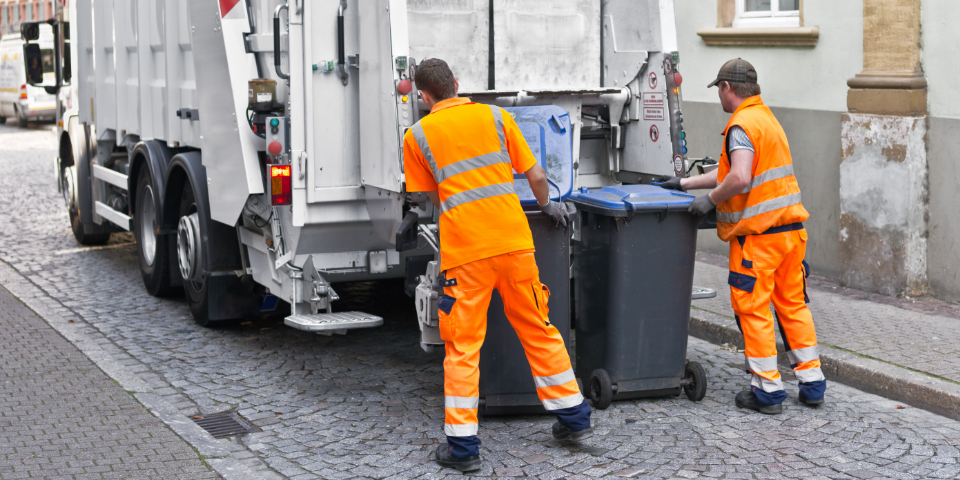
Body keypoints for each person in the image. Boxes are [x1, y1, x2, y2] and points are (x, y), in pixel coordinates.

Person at [403, 58, 592, 472]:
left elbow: (425, 198)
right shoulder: (496, 116)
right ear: (457, 83)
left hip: (466, 255)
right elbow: (537, 175)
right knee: (539, 329)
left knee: (463, 347)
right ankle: (574, 418)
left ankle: (463, 449)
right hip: (514, 245)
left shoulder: (417, 135)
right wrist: (548, 206)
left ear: (423, 95)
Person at [661, 58, 826, 415]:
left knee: (753, 309)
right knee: (793, 306)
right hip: (791, 234)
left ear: (726, 88)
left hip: (759, 239)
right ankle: (812, 384)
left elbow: (738, 179)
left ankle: (767, 390)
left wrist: (708, 202)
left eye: (718, 90)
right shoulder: (766, 118)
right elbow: (731, 172)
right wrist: (685, 183)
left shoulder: (739, 125)